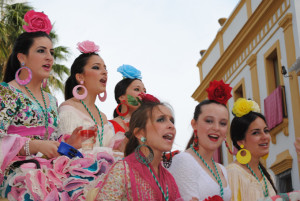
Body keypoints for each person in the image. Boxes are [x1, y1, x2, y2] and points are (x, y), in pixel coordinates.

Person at [0, 10, 82, 200]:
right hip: (17, 176)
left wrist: (69, 144)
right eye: (41, 51)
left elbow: (51, 141)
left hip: (51, 169)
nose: (50, 58)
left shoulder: (51, 100)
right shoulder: (6, 92)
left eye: (51, 52)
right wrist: (33, 145)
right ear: (22, 57)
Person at [93, 95, 182, 200]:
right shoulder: (123, 170)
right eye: (161, 120)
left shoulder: (169, 179)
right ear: (140, 133)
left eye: (171, 120)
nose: (171, 125)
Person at [168, 80, 232, 201]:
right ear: (194, 124)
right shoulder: (185, 160)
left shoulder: (222, 170)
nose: (216, 128)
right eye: (209, 121)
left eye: (222, 123)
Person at [58, 40, 116, 150]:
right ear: (80, 77)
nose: (104, 72)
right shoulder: (68, 108)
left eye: (105, 68)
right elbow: (66, 152)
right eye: (96, 67)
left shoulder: (103, 116)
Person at [226, 98, 277, 201]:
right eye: (256, 133)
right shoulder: (232, 173)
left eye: (266, 131)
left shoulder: (269, 176)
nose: (265, 136)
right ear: (240, 141)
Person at [108, 64, 146, 152]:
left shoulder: (146, 128)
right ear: (122, 97)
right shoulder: (108, 127)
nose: (143, 94)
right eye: (137, 89)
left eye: (144, 91)